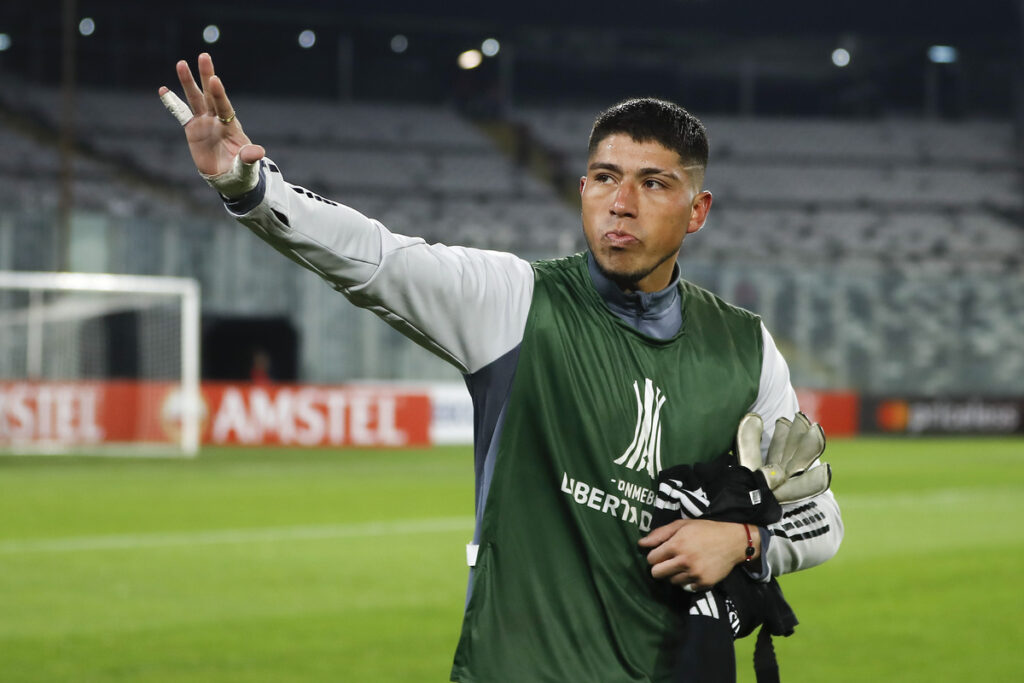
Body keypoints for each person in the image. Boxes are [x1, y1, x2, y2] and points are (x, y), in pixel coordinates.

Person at [160, 53, 843, 682]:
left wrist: (745, 538)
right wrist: (249, 186)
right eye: (604, 177)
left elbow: (822, 517)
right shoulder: (516, 301)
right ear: (582, 188)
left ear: (697, 210)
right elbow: (378, 258)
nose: (620, 202)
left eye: (653, 183)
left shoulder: (743, 346)